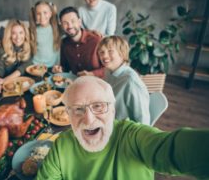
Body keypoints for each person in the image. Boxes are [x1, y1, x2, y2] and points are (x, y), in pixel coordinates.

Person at [36, 76, 209, 180]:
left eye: (98, 106)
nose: (88, 119)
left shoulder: (133, 137)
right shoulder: (62, 145)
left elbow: (174, 149)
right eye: (78, 109)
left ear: (112, 109)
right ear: (69, 114)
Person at [97, 36, 150, 125]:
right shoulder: (108, 70)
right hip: (106, 120)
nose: (104, 56)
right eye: (102, 52)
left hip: (121, 130)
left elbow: (143, 120)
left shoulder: (131, 81)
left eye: (110, 51)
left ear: (122, 53)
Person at [52, 6, 104, 77]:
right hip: (76, 83)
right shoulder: (64, 43)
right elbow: (65, 67)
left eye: (73, 21)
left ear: (79, 22)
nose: (70, 26)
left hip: (97, 84)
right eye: (65, 23)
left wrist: (92, 74)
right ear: (61, 25)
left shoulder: (96, 40)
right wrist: (60, 69)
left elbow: (108, 68)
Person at [29, 1, 61, 68]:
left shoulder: (57, 29)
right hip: (36, 67)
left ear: (50, 14)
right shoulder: (32, 31)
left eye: (45, 12)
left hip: (53, 68)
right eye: (38, 14)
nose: (42, 16)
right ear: (35, 16)